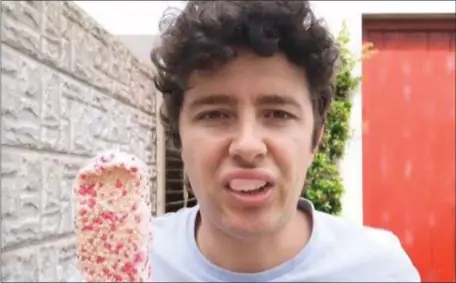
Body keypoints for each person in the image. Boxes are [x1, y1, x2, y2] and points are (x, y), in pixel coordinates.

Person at [72, 1, 420, 282]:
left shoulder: (380, 271)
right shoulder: (126, 261)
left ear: (316, 139)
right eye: (215, 114)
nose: (247, 145)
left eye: (278, 114)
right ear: (178, 136)